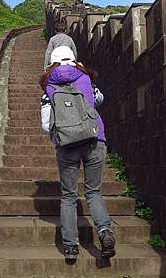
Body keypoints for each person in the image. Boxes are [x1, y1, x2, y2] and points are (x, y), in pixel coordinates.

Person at [40, 46, 115, 261]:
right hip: (94, 139)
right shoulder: (86, 78)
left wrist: (61, 132)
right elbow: (100, 100)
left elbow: (46, 124)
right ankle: (105, 232)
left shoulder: (48, 85)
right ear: (73, 59)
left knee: (69, 196)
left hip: (66, 145)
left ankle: (70, 246)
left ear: (52, 62)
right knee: (93, 192)